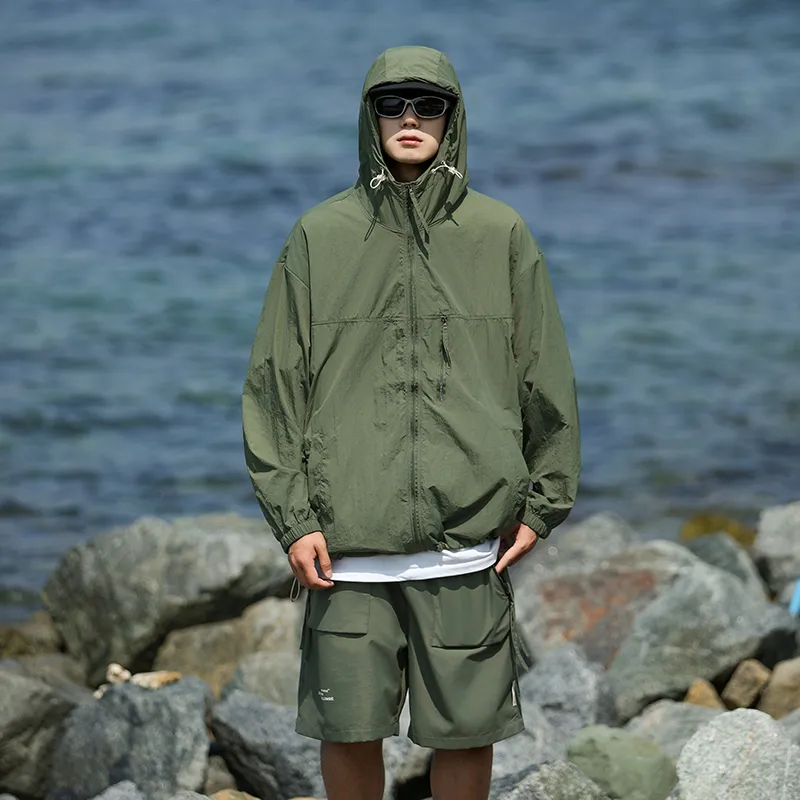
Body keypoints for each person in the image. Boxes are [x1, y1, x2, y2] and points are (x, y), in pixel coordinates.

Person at [241, 45, 580, 800]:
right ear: (369, 117)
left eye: (429, 104)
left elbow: (545, 377)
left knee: (466, 731)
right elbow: (273, 389)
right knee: (347, 728)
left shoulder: (500, 233)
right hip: (347, 550)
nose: (410, 118)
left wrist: (544, 503)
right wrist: (294, 519)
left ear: (454, 118)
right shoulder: (318, 236)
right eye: (392, 103)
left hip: (467, 545)